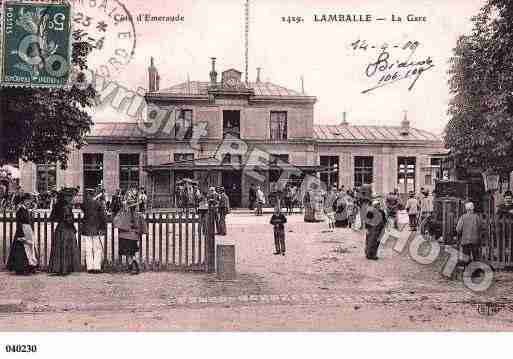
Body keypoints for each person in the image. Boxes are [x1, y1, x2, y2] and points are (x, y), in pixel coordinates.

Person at [48, 188, 81, 275]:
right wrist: (72, 223)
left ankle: (58, 268)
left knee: (59, 248)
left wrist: (60, 219)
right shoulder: (66, 206)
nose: (71, 198)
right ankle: (65, 268)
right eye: (70, 197)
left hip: (60, 228)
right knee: (67, 248)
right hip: (67, 229)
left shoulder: (57, 205)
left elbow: (52, 218)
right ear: (65, 197)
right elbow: (68, 219)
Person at [114, 196, 148, 274]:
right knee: (131, 253)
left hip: (124, 236)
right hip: (134, 237)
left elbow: (115, 222)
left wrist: (121, 210)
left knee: (128, 253)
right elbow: (143, 227)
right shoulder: (138, 215)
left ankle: (133, 267)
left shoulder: (124, 214)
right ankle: (133, 266)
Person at [6, 193, 37, 275]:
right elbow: (19, 223)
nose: (29, 202)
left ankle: (29, 267)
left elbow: (28, 220)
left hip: (27, 230)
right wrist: (21, 235)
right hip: (22, 230)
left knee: (30, 248)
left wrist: (30, 214)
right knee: (22, 249)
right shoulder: (20, 210)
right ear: (23, 201)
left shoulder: (26, 209)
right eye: (27, 200)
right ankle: (21, 268)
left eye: (29, 200)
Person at [80, 188, 107, 274]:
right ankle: (97, 267)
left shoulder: (85, 204)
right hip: (96, 228)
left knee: (88, 247)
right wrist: (102, 228)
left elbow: (83, 207)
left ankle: (90, 267)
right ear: (95, 194)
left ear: (88, 195)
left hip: (87, 229)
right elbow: (103, 217)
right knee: (97, 248)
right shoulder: (99, 204)